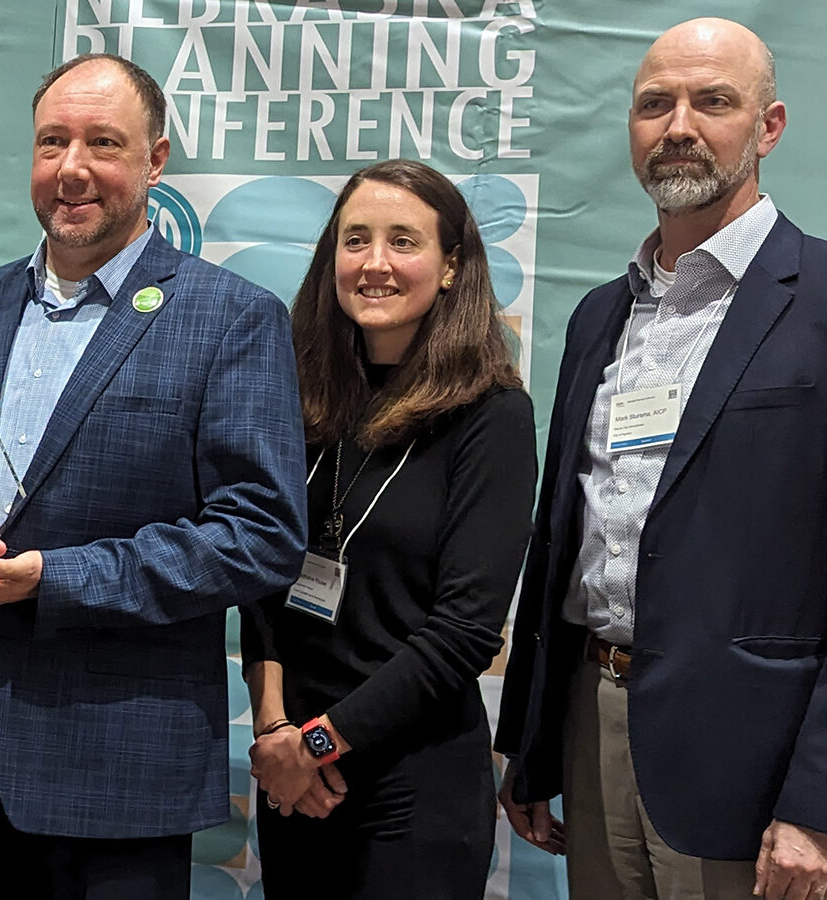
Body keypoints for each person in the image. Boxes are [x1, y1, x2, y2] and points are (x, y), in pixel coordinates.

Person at [0, 54, 307, 900]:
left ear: (155, 161)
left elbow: (260, 536)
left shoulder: (231, 318)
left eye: (102, 143)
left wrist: (54, 580)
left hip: (119, 772)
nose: (71, 168)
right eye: (52, 142)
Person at [495, 17, 827, 900]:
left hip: (757, 762)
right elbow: (565, 531)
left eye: (712, 101)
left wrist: (817, 803)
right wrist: (531, 748)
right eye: (654, 104)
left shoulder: (824, 299)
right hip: (589, 719)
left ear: (769, 126)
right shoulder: (600, 314)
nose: (678, 125)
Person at [238, 159, 536, 899]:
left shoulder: (491, 415)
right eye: (355, 239)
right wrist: (275, 732)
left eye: (404, 241)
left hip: (414, 786)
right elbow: (261, 585)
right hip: (295, 779)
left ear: (450, 267)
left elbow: (465, 631)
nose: (374, 263)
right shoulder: (301, 400)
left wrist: (316, 743)